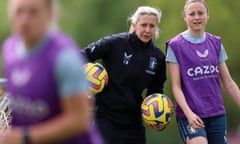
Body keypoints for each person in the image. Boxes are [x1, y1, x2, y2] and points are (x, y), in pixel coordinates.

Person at [0, 0, 103, 143]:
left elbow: (80, 120)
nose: (24, 19)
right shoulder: (9, 49)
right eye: (19, 11)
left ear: (50, 14)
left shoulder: (64, 58)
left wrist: (26, 136)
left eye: (33, 12)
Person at [82, 6, 166, 144]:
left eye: (152, 26)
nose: (147, 30)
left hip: (134, 123)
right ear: (134, 24)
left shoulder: (158, 57)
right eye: (143, 25)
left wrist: (158, 116)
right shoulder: (115, 43)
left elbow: (155, 92)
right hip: (105, 119)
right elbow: (81, 56)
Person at [166, 0, 240, 144]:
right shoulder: (175, 45)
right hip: (191, 115)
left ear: (207, 15)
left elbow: (229, 83)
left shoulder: (216, 43)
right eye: (192, 14)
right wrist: (189, 114)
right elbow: (176, 87)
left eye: (200, 13)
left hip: (216, 113)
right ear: (185, 17)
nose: (196, 17)